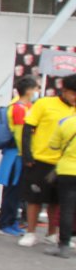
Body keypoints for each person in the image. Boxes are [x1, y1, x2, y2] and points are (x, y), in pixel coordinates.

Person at [19, 74, 76, 247]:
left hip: (63, 163)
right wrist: (27, 155)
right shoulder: (45, 103)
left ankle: (52, 233)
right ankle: (30, 232)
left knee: (57, 201)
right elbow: (28, 128)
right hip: (40, 159)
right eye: (73, 93)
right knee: (34, 198)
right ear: (64, 91)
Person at [0, 76, 40, 235]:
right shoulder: (19, 108)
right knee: (12, 191)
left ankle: (11, 222)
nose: (37, 92)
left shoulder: (22, 106)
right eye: (35, 88)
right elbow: (21, 135)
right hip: (17, 155)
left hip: (17, 154)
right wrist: (28, 154)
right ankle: (5, 223)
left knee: (16, 191)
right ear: (28, 91)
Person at [45, 111, 76, 259]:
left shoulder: (66, 123)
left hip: (67, 171)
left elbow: (53, 145)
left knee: (67, 209)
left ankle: (64, 245)